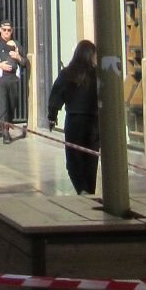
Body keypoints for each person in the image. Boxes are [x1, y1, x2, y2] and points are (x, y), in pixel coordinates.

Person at [48, 38, 101, 195]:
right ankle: (88, 189)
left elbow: (56, 95)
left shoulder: (67, 73)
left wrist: (52, 116)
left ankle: (82, 189)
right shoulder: (97, 74)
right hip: (93, 121)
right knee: (90, 159)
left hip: (75, 121)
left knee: (74, 160)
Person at [0, 20, 27, 141]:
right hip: (0, 80)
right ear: (0, 30)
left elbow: (25, 63)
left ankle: (9, 122)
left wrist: (18, 57)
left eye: (9, 30)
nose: (7, 32)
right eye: (4, 30)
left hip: (13, 80)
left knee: (12, 104)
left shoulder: (16, 44)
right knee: (3, 106)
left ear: (12, 31)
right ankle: (5, 132)